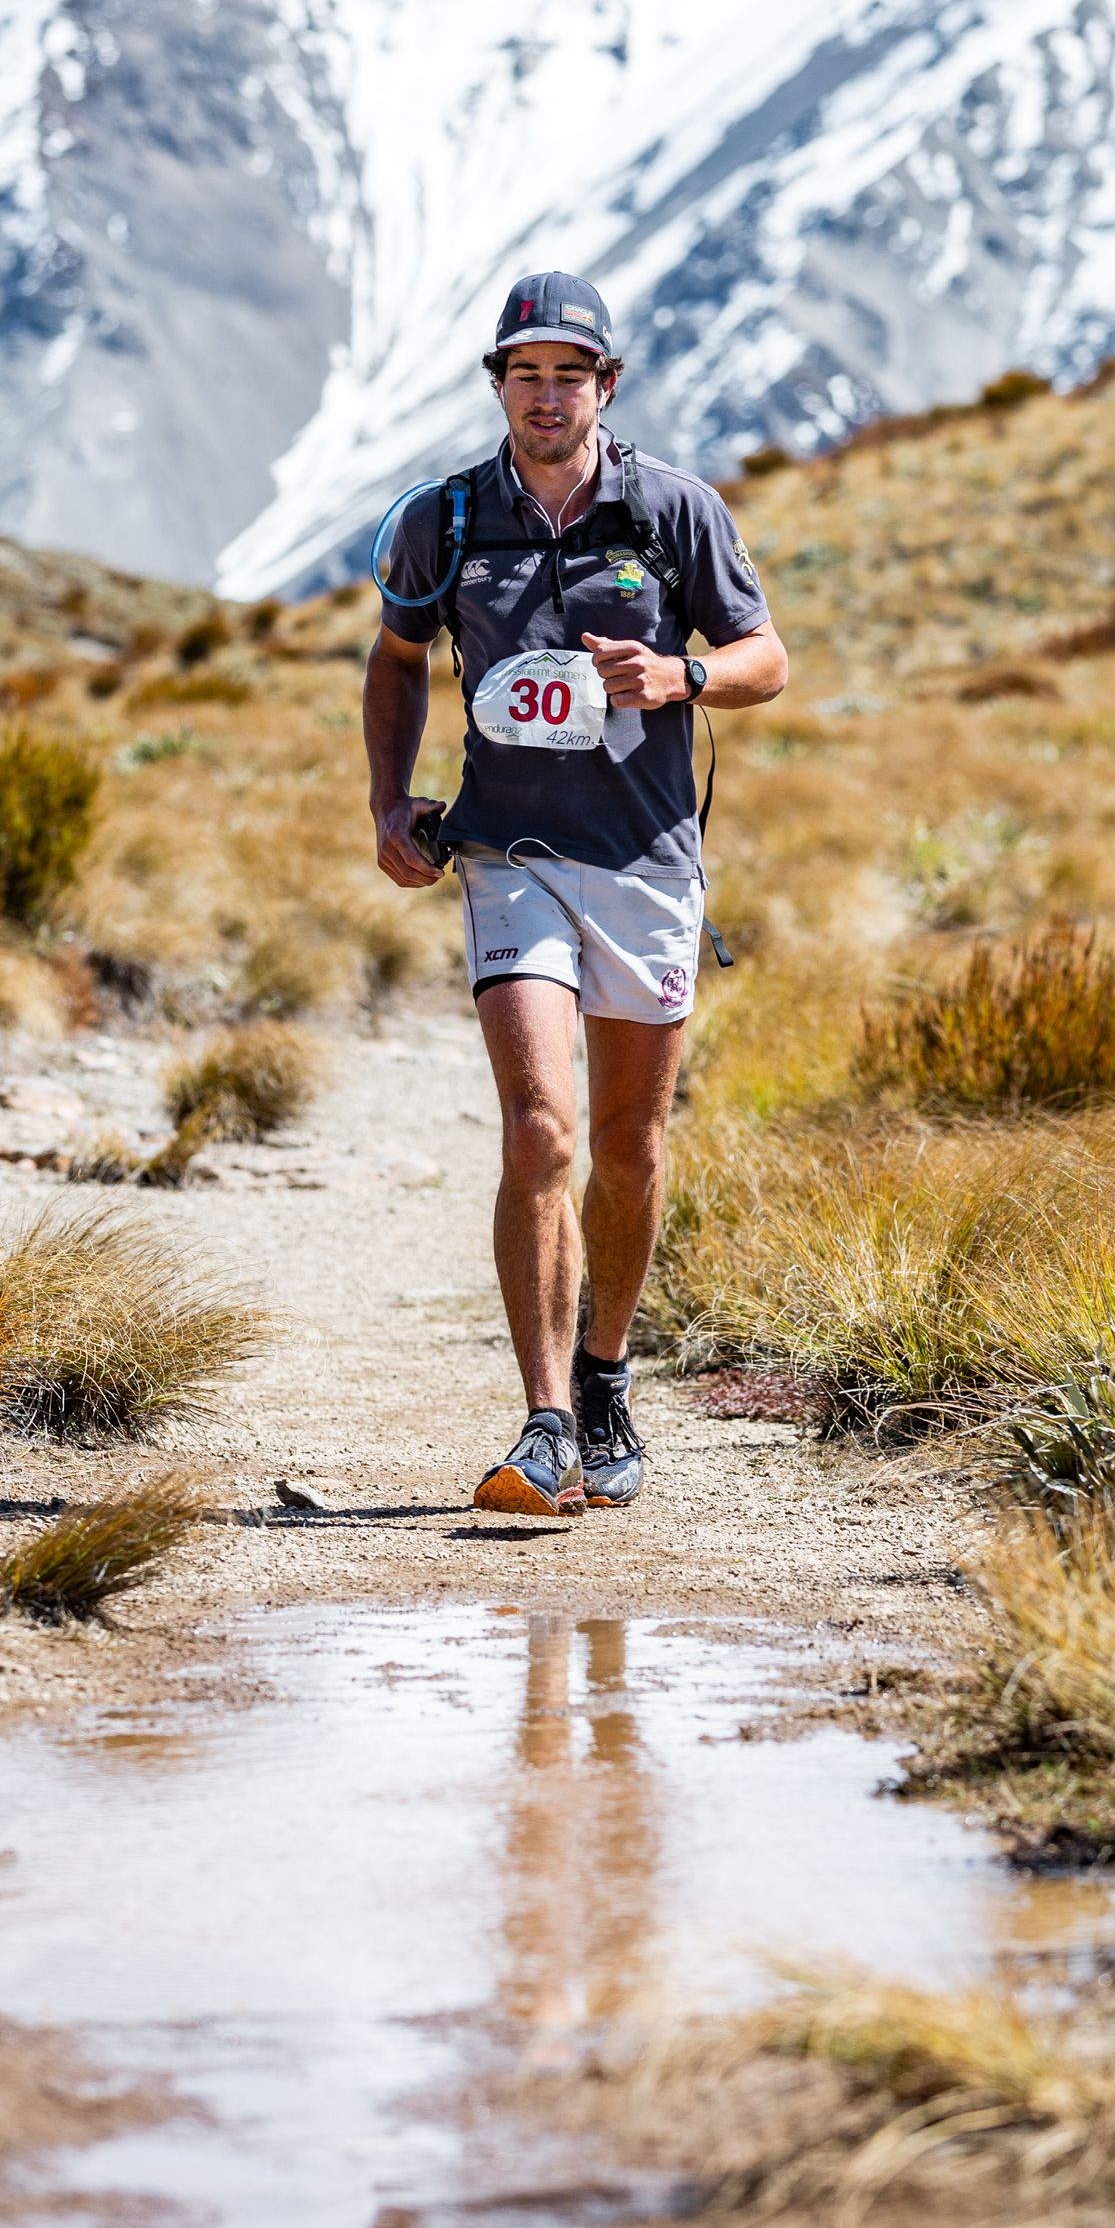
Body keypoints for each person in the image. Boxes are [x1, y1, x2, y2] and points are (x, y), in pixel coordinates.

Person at [363, 271, 788, 1518]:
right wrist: (390, 803)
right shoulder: (440, 522)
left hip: (649, 862)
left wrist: (681, 678)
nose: (546, 396)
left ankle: (606, 1375)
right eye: (524, 373)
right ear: (497, 385)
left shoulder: (675, 512)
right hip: (509, 857)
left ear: (609, 386)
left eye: (570, 373)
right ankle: (546, 1423)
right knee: (543, 1129)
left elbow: (767, 660)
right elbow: (395, 664)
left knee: (628, 1145)